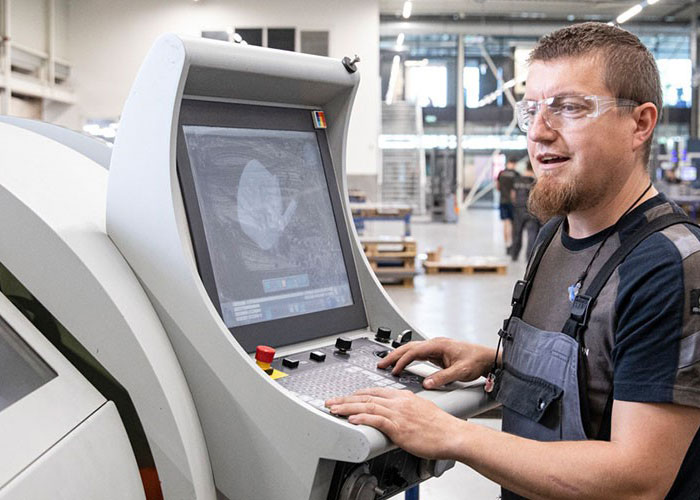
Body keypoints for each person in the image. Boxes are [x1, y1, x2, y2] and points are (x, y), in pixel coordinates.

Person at [326, 22, 700, 499]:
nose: (540, 132)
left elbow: (638, 478)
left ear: (640, 123)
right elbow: (599, 377)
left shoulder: (667, 266)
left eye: (568, 107)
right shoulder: (554, 238)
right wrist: (500, 362)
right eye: (532, 110)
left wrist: (455, 436)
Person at [510, 162, 541, 262]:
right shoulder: (535, 182)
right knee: (531, 234)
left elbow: (513, 195)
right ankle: (529, 257)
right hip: (531, 211)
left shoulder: (517, 180)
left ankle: (514, 255)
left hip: (518, 210)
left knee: (517, 233)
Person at [496, 157, 520, 253]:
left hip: (502, 201)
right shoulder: (516, 174)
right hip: (512, 203)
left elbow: (497, 186)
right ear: (514, 164)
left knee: (506, 223)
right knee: (514, 224)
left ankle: (507, 244)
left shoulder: (501, 173)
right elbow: (514, 191)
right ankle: (513, 244)